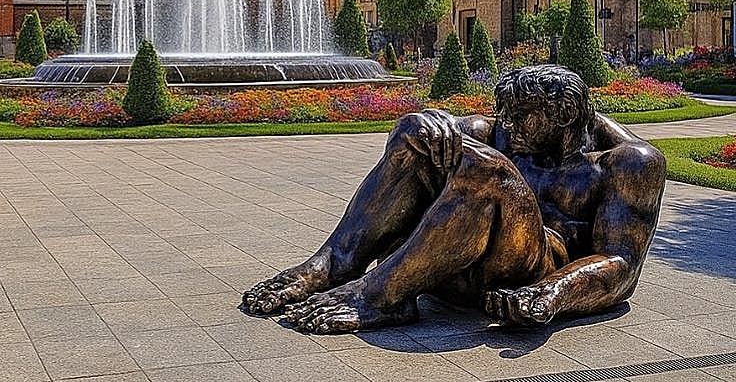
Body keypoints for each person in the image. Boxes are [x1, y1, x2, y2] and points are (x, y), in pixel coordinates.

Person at [242, 64, 666, 332]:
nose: (509, 125)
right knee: (417, 134)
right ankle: (334, 263)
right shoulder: (495, 132)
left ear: (564, 116)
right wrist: (425, 121)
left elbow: (622, 266)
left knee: (490, 170)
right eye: (505, 113)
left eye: (522, 116)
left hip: (527, 274)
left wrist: (553, 293)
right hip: (452, 271)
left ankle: (378, 297)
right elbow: (418, 145)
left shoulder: (627, 163)